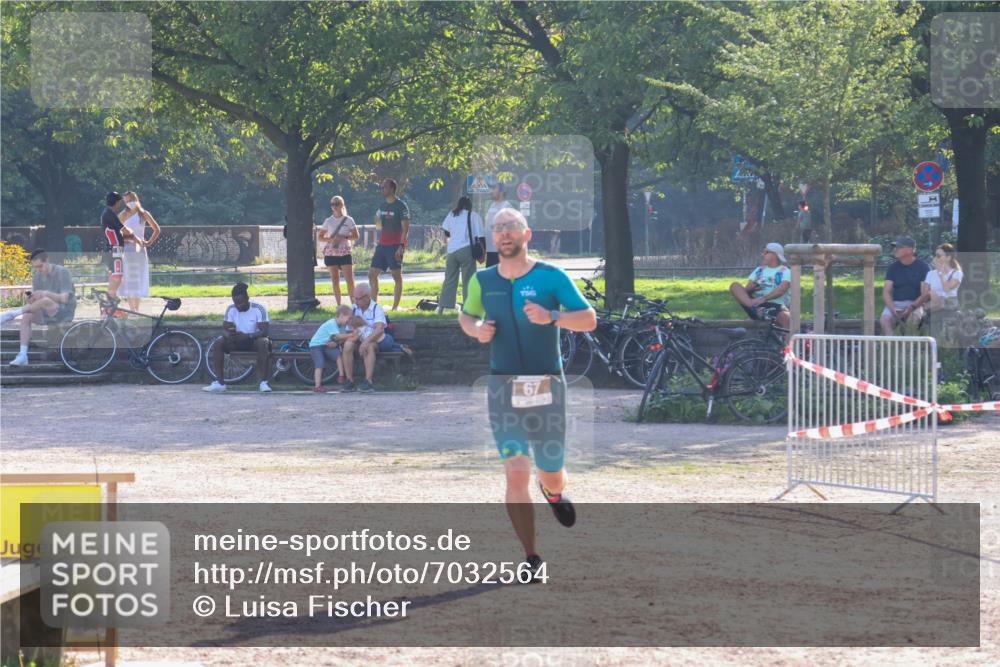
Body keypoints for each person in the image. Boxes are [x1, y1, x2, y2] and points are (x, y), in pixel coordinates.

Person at [459, 208, 597, 581]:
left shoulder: (551, 276)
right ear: (493, 237)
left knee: (550, 473)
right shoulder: (482, 279)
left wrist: (553, 317)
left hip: (547, 385)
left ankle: (553, 492)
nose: (504, 233)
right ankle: (532, 557)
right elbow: (466, 316)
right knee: (516, 471)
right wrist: (476, 329)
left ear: (526, 234)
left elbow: (588, 319)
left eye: (511, 227)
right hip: (503, 386)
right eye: (498, 228)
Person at [1, 249, 76, 367]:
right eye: (35, 267)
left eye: (40, 266)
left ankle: (12, 314)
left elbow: (65, 298)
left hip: (64, 311)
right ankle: (22, 355)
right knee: (27, 315)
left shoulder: (63, 272)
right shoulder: (37, 276)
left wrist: (45, 293)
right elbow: (36, 302)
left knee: (45, 300)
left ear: (47, 260)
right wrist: (31, 299)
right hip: (46, 311)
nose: (38, 270)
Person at [203, 282, 272, 392]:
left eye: (241, 302)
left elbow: (265, 331)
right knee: (219, 342)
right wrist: (229, 336)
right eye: (235, 303)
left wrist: (248, 336)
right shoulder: (231, 309)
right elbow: (224, 329)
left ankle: (263, 383)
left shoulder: (258, 309)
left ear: (247, 298)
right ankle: (220, 383)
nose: (238, 306)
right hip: (236, 342)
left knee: (263, 342)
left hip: (253, 342)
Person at [341, 283, 397, 393]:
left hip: (376, 339)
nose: (355, 301)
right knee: (347, 345)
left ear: (367, 297)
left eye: (358, 299)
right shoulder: (354, 309)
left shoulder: (376, 308)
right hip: (359, 338)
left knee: (368, 346)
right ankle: (349, 381)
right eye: (354, 298)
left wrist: (365, 341)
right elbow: (348, 329)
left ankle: (368, 381)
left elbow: (379, 330)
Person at [729, 242, 791, 332]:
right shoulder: (759, 270)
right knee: (734, 285)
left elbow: (781, 290)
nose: (763, 254)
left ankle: (789, 341)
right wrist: (750, 288)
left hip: (776, 306)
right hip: (754, 304)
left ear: (774, 255)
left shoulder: (786, 271)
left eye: (766, 252)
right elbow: (745, 291)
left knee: (786, 318)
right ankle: (755, 309)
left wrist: (764, 299)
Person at [368, 178, 410, 310]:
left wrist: (401, 246)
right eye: (381, 187)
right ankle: (373, 306)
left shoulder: (401, 206)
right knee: (372, 274)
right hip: (382, 245)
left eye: (384, 187)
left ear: (392, 189)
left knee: (396, 276)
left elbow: (405, 228)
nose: (382, 189)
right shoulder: (382, 206)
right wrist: (377, 220)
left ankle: (395, 307)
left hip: (395, 245)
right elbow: (378, 226)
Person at [437, 196, 484, 313]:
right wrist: (483, 253)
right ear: (469, 205)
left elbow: (446, 232)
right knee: (468, 279)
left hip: (452, 251)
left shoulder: (451, 214)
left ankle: (444, 306)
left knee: (449, 279)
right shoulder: (473, 216)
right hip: (466, 249)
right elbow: (481, 237)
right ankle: (468, 307)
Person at [119, 191, 161, 313]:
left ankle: (136, 310)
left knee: (138, 280)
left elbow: (157, 229)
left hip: (140, 250)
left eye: (130, 200)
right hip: (128, 250)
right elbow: (115, 232)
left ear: (135, 199)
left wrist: (149, 242)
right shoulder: (123, 215)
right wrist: (124, 240)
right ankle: (132, 309)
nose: (129, 203)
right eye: (126, 201)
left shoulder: (143, 214)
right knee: (129, 279)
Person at [880, 235, 931, 336]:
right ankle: (893, 344)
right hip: (896, 304)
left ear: (910, 250)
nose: (896, 249)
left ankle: (908, 345)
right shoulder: (892, 268)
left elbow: (925, 294)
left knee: (912, 322)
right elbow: (886, 292)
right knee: (885, 320)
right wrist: (892, 309)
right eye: (896, 247)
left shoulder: (923, 267)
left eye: (899, 247)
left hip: (916, 305)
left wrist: (911, 307)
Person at [318, 196, 358, 307]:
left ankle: (354, 305)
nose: (335, 206)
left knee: (350, 280)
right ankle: (339, 306)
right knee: (335, 280)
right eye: (332, 204)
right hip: (331, 253)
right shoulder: (328, 221)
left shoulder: (349, 220)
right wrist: (330, 239)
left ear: (342, 205)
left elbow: (356, 236)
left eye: (337, 204)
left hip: (345, 253)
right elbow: (320, 237)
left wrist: (344, 237)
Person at [101, 191, 139, 304]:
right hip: (114, 249)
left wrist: (125, 240)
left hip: (113, 248)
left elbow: (116, 233)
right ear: (116, 202)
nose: (120, 205)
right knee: (118, 276)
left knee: (115, 275)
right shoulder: (110, 214)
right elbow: (125, 230)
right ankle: (111, 298)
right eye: (119, 202)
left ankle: (111, 299)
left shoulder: (107, 213)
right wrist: (136, 238)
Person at [308, 305, 352, 392]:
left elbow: (340, 339)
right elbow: (338, 336)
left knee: (338, 355)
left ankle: (341, 375)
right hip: (316, 345)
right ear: (341, 316)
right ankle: (317, 386)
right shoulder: (332, 323)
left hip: (326, 345)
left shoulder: (342, 326)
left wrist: (336, 343)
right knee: (320, 364)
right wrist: (351, 335)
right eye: (348, 318)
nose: (349, 321)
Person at [921, 243, 963, 313]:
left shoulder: (957, 273)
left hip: (950, 304)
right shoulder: (930, 273)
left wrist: (941, 273)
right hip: (934, 304)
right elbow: (924, 295)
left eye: (938, 256)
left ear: (948, 257)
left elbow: (947, 289)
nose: (935, 258)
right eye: (935, 255)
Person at [484, 183, 512, 267]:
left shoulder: (506, 206)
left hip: (501, 251)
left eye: (494, 189)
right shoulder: (492, 205)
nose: (491, 192)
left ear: (501, 192)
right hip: (490, 250)